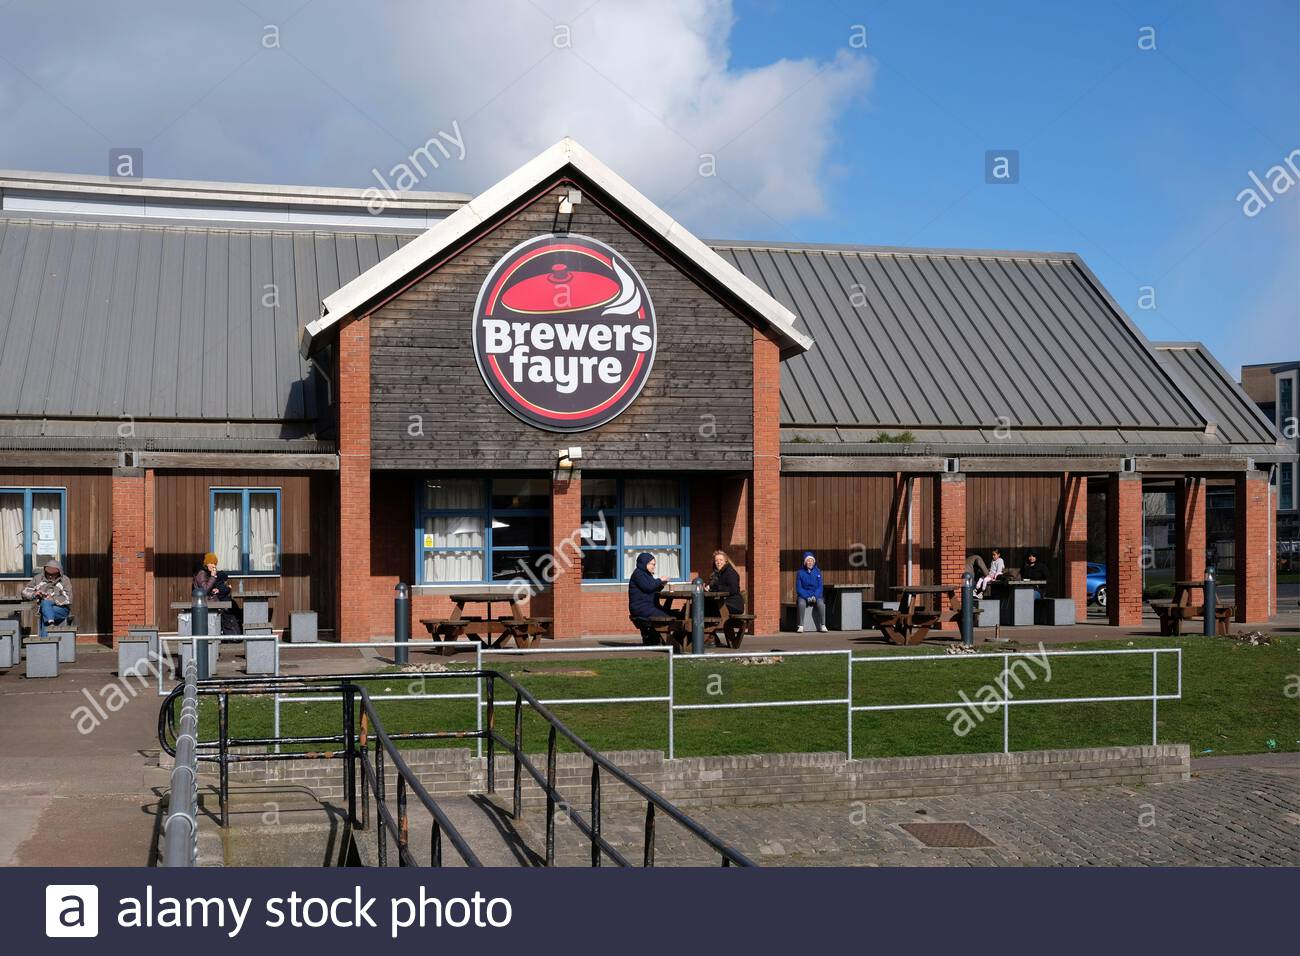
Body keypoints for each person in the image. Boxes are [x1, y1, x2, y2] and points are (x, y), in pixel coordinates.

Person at [628, 552, 673, 644]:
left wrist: (661, 585)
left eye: (654, 564)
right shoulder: (638, 574)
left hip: (648, 606)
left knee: (671, 614)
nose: (654, 566)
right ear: (645, 563)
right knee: (665, 616)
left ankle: (659, 639)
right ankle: (666, 641)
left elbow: (652, 589)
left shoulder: (647, 575)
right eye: (652, 564)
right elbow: (648, 587)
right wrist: (660, 580)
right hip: (641, 607)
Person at [193, 552, 242, 635]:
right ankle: (230, 632)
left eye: (215, 563)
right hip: (204, 602)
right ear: (206, 563)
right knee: (228, 608)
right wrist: (213, 577)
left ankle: (230, 631)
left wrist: (216, 589)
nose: (214, 565)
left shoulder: (207, 573)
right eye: (211, 563)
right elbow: (204, 590)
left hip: (210, 600)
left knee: (232, 606)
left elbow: (207, 587)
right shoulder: (202, 573)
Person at [22, 559, 72, 637]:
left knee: (45, 607)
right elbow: (24, 592)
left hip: (61, 609)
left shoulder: (65, 580)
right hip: (45, 609)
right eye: (48, 573)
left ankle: (45, 642)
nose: (50, 576)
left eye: (53, 574)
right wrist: (35, 594)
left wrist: (53, 599)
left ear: (59, 573)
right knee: (45, 606)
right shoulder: (38, 578)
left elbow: (68, 599)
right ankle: (50, 625)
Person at [794, 551, 827, 632]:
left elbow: (820, 587)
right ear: (805, 562)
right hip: (804, 596)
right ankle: (801, 625)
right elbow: (799, 588)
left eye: (811, 561)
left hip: (816, 596)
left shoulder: (817, 572)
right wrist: (807, 596)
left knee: (821, 604)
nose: (810, 563)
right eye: (808, 561)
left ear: (814, 562)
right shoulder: (800, 573)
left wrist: (815, 596)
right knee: (801, 604)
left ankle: (823, 625)